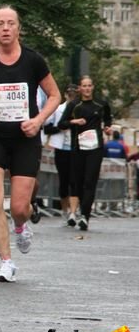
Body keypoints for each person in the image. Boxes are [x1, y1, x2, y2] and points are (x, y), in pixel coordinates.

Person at [0, 6, 60, 283]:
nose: (5, 28)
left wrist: (38, 120)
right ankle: (6, 262)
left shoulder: (33, 61)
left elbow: (54, 95)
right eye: (0, 24)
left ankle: (20, 224)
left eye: (11, 23)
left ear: (18, 28)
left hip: (25, 139)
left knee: (18, 207)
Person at [57, 75, 112, 231]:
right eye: (84, 86)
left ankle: (85, 217)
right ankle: (76, 213)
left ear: (93, 87)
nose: (87, 89)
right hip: (78, 148)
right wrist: (74, 121)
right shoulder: (74, 105)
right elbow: (61, 124)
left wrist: (107, 128)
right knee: (77, 181)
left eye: (89, 85)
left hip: (95, 148)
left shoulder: (101, 104)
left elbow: (108, 119)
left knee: (90, 182)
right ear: (80, 89)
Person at [42, 85, 78, 224]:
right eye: (70, 93)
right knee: (64, 180)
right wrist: (63, 126)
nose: (72, 96)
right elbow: (47, 128)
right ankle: (64, 210)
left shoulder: (80, 109)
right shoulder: (58, 110)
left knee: (75, 180)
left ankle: (73, 211)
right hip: (61, 147)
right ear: (65, 94)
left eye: (74, 93)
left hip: (76, 147)